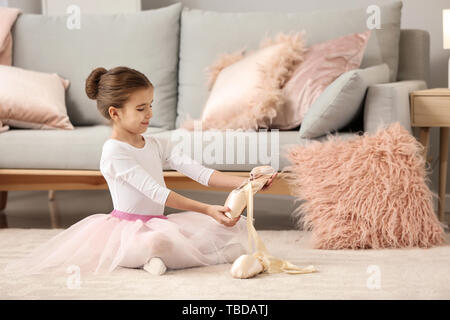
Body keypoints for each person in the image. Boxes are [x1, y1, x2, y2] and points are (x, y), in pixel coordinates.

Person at [4, 66, 277, 277]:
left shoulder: (157, 143)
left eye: (151, 105)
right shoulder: (114, 152)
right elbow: (157, 193)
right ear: (115, 113)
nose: (149, 114)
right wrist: (207, 209)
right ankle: (152, 257)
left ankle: (160, 258)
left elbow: (200, 172)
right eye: (140, 108)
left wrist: (247, 182)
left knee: (230, 230)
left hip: (158, 223)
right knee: (157, 242)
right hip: (126, 229)